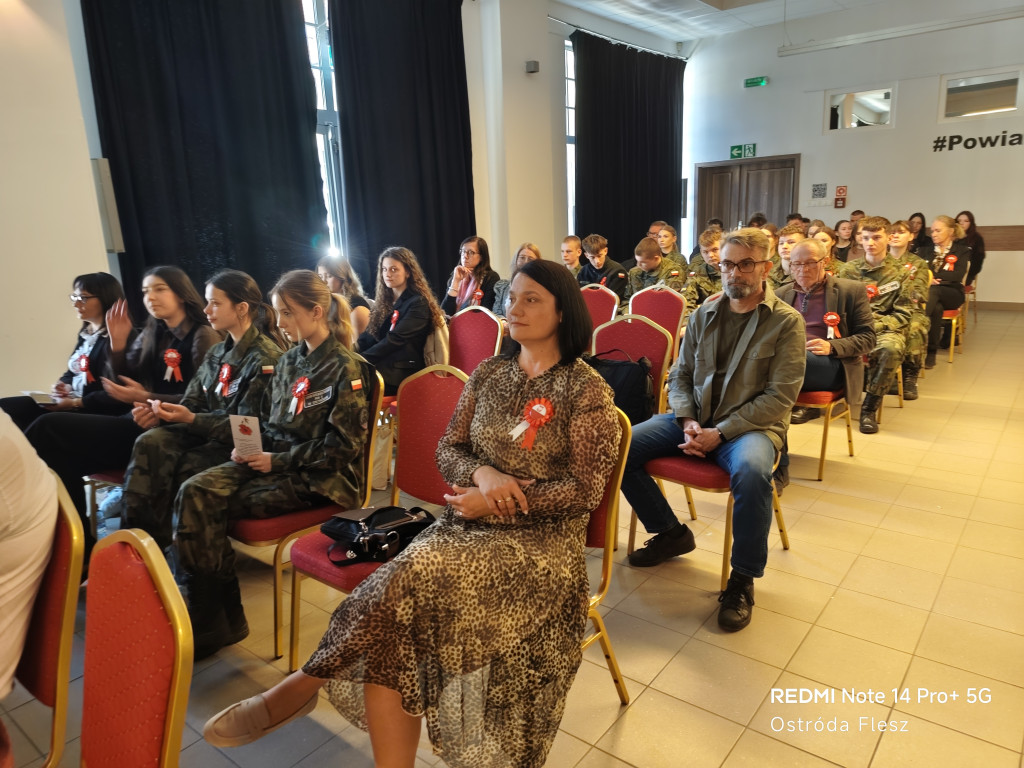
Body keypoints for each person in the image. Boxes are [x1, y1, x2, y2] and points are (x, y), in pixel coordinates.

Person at [202, 259, 621, 768]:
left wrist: (498, 499)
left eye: (532, 299)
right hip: (467, 527)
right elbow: (450, 450)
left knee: (409, 579)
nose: (514, 308)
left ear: (564, 312)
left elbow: (585, 490)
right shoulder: (489, 374)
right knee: (394, 631)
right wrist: (485, 477)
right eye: (512, 297)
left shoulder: (586, 390)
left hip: (540, 548)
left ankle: (300, 685)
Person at [174, 270, 370, 658]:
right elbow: (266, 421)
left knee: (205, 500)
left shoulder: (344, 367)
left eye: (287, 313)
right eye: (278, 312)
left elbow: (343, 448)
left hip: (319, 478)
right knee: (193, 489)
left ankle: (212, 622)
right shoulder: (289, 361)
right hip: (274, 461)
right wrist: (246, 446)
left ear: (317, 312)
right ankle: (212, 614)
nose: (279, 322)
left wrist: (275, 459)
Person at [619, 228, 805, 631]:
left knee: (754, 472)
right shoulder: (704, 312)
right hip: (695, 417)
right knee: (622, 444)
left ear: (765, 268)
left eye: (744, 264)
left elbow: (780, 397)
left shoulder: (787, 322)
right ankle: (670, 532)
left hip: (749, 428)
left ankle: (742, 578)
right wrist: (687, 421)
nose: (733, 273)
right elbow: (680, 374)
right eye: (726, 264)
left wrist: (718, 433)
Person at [26, 266, 219, 559]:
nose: (150, 298)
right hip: (138, 419)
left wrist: (147, 398)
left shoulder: (201, 335)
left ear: (181, 293)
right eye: (144, 292)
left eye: (159, 289)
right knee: (58, 450)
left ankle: (60, 535)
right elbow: (122, 379)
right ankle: (75, 543)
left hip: (169, 429)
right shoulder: (155, 331)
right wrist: (117, 345)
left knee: (48, 428)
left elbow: (203, 398)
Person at [120, 270, 286, 559]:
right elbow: (193, 401)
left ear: (242, 308)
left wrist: (191, 419)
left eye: (215, 303)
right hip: (205, 434)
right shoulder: (218, 353)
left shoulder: (265, 358)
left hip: (236, 446)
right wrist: (160, 412)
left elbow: (249, 430)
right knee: (149, 441)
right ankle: (139, 550)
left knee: (183, 465)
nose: (206, 310)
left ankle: (171, 555)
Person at [1, 272, 135, 432]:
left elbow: (116, 390)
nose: (76, 304)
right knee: (9, 406)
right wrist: (64, 385)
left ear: (105, 298)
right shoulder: (86, 333)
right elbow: (72, 372)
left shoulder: (124, 336)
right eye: (74, 297)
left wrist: (75, 403)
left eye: (83, 298)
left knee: (45, 422)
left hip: (97, 410)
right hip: (73, 403)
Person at [776, 239, 875, 436]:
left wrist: (832, 347)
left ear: (825, 261)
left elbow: (868, 338)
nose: (803, 269)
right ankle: (776, 445)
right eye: (796, 263)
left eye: (810, 262)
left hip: (830, 364)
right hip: (786, 364)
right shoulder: (781, 294)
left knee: (777, 367)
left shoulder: (850, 291)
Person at [0, 411, 58, 698]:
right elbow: (74, 375)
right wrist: (68, 388)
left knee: (49, 428)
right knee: (19, 405)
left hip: (132, 416)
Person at [843, 217, 912, 432]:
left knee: (891, 348)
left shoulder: (902, 272)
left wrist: (876, 327)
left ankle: (869, 407)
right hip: (850, 327)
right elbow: (835, 306)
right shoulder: (848, 271)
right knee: (818, 340)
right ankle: (815, 401)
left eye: (876, 237)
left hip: (883, 328)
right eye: (865, 238)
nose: (870, 243)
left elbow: (904, 313)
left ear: (889, 238)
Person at [358, 247, 446, 395]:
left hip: (403, 372)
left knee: (351, 383)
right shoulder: (385, 303)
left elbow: (395, 340)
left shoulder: (418, 303)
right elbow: (369, 336)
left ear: (408, 272)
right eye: (384, 269)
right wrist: (350, 354)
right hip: (385, 364)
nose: (387, 274)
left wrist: (361, 360)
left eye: (393, 269)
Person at [888, 221, 930, 399]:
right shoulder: (879, 260)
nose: (896, 235)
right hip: (881, 308)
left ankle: (910, 376)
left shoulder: (918, 263)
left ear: (911, 236)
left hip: (909, 308)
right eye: (893, 232)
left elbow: (918, 292)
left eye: (901, 232)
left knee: (915, 327)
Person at [924, 216, 970, 368]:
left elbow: (957, 275)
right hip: (932, 293)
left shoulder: (962, 251)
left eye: (938, 230)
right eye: (932, 231)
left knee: (934, 291)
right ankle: (931, 353)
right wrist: (928, 279)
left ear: (951, 231)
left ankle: (919, 325)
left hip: (952, 293)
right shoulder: (924, 251)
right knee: (936, 308)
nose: (933, 234)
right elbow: (917, 271)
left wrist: (931, 276)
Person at [441, 236, 499, 315]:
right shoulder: (455, 277)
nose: (465, 256)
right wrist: (455, 282)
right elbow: (445, 314)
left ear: (482, 257)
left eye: (471, 252)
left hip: (476, 325)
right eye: (463, 251)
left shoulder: (490, 277)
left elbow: (486, 312)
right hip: (452, 325)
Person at [317, 254, 372, 335]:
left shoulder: (357, 305)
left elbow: (359, 346)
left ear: (342, 277)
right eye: (320, 276)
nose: (324, 281)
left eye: (329, 276)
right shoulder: (324, 304)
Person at [577, 233, 629, 306]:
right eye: (592, 257)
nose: (597, 261)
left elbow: (612, 300)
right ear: (586, 255)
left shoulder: (618, 271)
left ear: (605, 251)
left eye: (599, 256)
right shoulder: (583, 272)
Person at [682, 228, 723, 320]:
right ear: (701, 252)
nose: (710, 255)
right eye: (705, 252)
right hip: (705, 321)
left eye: (715, 250)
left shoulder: (734, 270)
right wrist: (689, 326)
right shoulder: (697, 273)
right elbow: (687, 303)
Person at [492, 242, 542, 317]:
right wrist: (505, 324)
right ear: (516, 260)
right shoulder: (503, 287)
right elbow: (496, 313)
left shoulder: (541, 288)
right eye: (522, 257)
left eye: (530, 259)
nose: (525, 262)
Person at [956, 210, 986, 286]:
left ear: (971, 223)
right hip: (950, 272)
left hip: (967, 274)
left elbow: (978, 261)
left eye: (966, 221)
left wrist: (965, 272)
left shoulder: (977, 239)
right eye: (959, 221)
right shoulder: (952, 237)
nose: (961, 223)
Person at [769, 223, 803, 289]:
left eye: (791, 242)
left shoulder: (806, 273)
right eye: (781, 243)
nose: (784, 246)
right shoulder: (768, 270)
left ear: (803, 245)